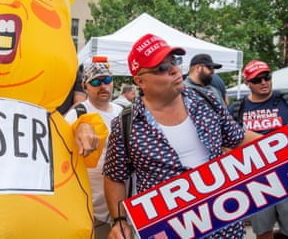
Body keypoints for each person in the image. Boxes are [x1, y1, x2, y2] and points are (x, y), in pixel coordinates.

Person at [102, 33, 264, 239]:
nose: (174, 69)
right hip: (168, 230)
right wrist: (119, 221)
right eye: (161, 67)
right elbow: (114, 177)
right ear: (140, 80)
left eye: (174, 61)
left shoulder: (206, 100)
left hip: (224, 226)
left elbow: (238, 138)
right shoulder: (126, 124)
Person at [229, 60, 288, 239]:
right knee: (262, 231)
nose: (264, 82)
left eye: (266, 77)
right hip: (257, 178)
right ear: (247, 83)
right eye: (257, 79)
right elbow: (226, 143)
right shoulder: (237, 108)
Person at [65, 60, 123, 239]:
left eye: (106, 80)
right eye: (96, 82)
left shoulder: (122, 112)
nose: (103, 86)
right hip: (91, 204)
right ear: (85, 86)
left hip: (121, 200)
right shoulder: (78, 114)